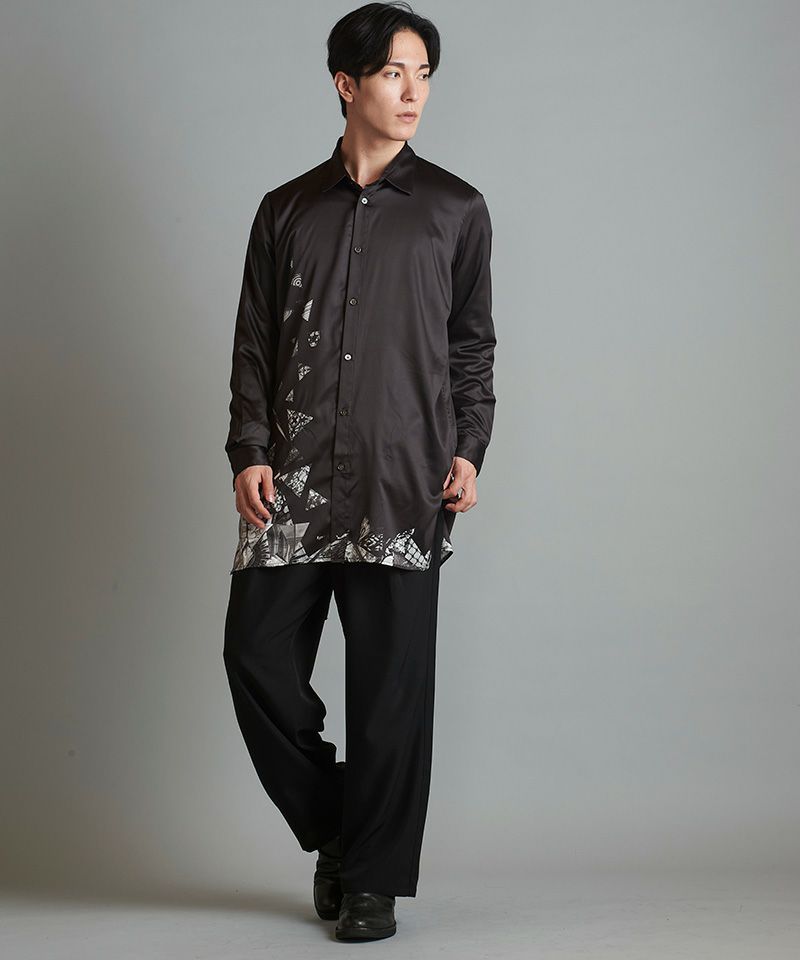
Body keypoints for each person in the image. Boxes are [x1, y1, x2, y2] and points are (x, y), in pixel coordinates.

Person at [222, 1, 496, 942]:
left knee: (390, 695)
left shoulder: (456, 210)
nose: (413, 92)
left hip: (402, 479)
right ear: (347, 84)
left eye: (424, 74)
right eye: (392, 73)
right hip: (293, 483)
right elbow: (253, 346)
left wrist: (469, 445)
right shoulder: (285, 210)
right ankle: (341, 828)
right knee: (256, 660)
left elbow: (471, 346)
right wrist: (249, 450)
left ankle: (371, 881)